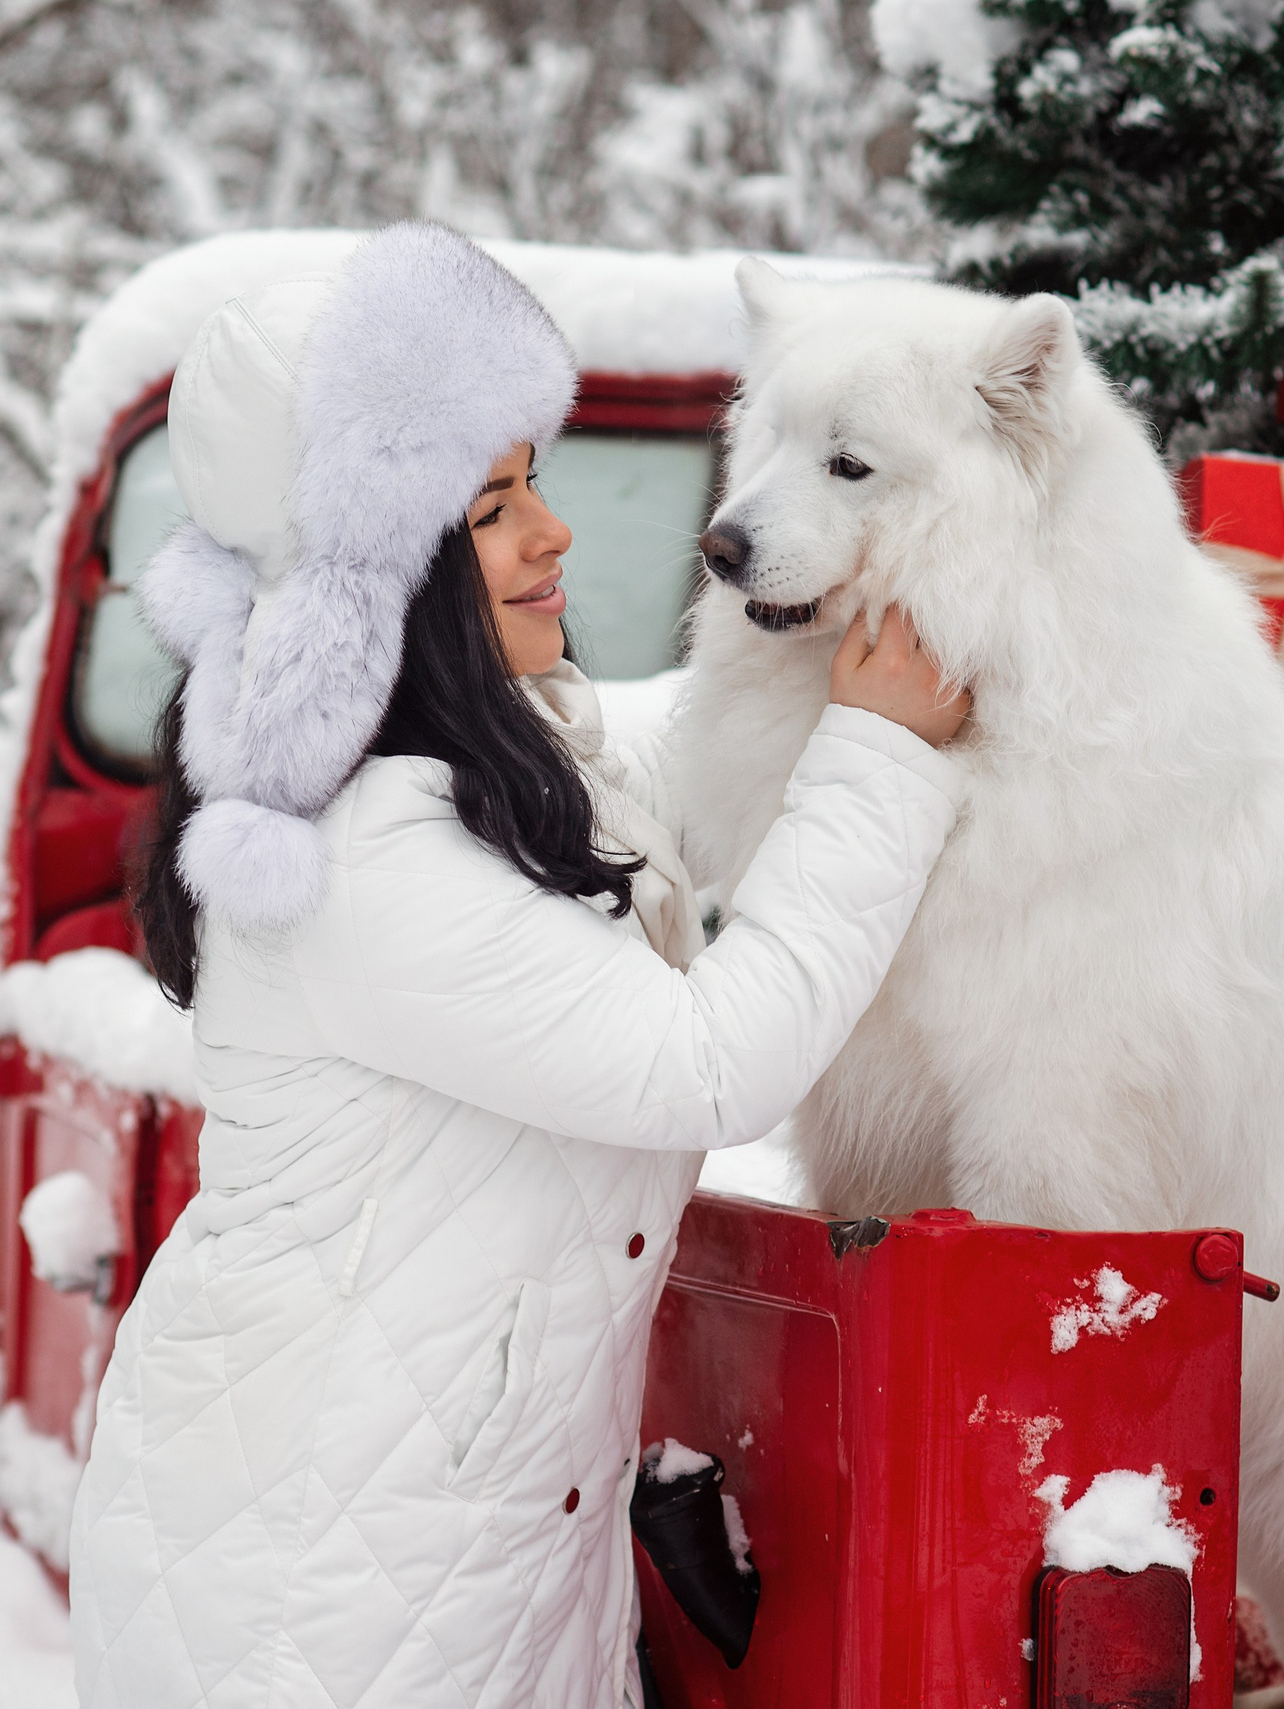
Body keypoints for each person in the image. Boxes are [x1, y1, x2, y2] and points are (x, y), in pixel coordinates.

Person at [69, 221, 972, 1709]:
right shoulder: (364, 854)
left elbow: (658, 763)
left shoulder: (489, 751)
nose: (553, 534)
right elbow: (704, 1062)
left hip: (455, 1555)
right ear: (378, 572)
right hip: (323, 1601)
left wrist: (824, 618)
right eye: (493, 507)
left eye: (536, 479)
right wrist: (876, 754)